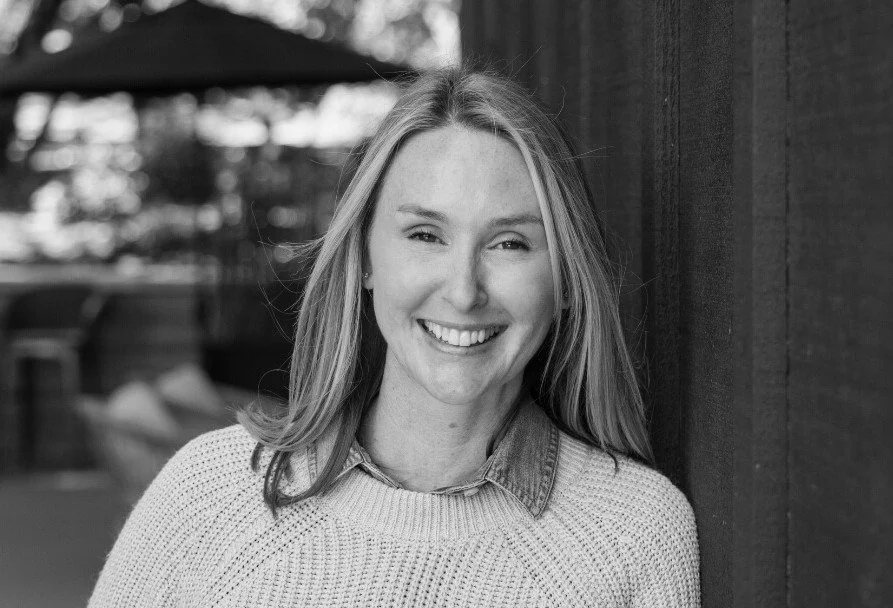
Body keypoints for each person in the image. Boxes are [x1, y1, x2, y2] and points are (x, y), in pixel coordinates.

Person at [88, 67, 700, 607]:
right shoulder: (208, 497)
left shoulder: (633, 535)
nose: (464, 291)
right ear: (365, 259)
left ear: (565, 276)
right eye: (425, 235)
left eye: (510, 242)